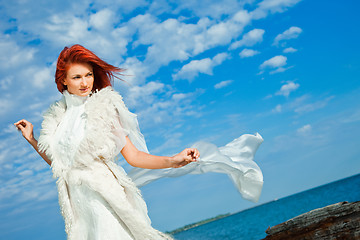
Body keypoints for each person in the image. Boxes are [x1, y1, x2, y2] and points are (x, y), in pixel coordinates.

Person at [15, 44, 264, 240]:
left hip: (105, 198)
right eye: (77, 77)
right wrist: (33, 140)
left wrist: (173, 159)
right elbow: (60, 165)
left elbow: (133, 156)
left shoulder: (103, 108)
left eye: (89, 75)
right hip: (79, 209)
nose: (85, 82)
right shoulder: (57, 121)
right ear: (64, 81)